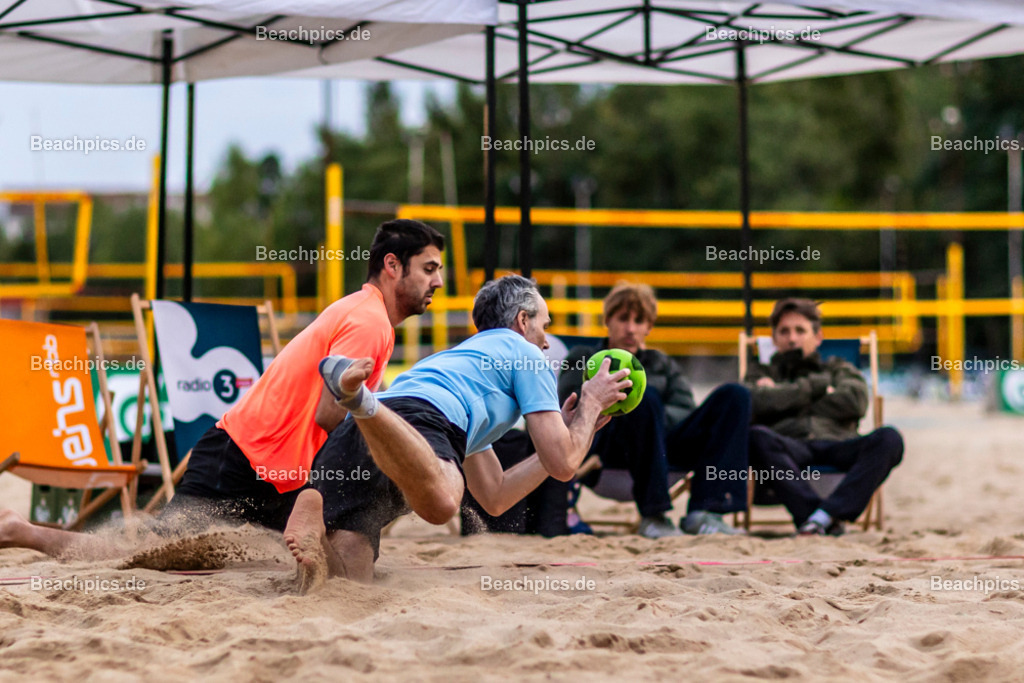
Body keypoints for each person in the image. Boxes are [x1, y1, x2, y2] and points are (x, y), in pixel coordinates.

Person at [0, 218, 445, 558]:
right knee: (149, 556)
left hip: (271, 465)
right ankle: (23, 531)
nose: (438, 283)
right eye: (428, 269)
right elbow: (330, 416)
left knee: (301, 556)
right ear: (392, 266)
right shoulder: (370, 323)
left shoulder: (364, 314)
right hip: (245, 460)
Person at [283, 274, 632, 590]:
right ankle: (362, 401)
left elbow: (495, 497)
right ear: (522, 321)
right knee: (443, 503)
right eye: (544, 325)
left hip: (361, 435)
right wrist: (591, 402)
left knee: (342, 582)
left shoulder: (460, 366)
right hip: (416, 419)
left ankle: (316, 503)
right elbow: (564, 464)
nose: (546, 341)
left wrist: (567, 433)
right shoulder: (524, 353)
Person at [557, 283, 750, 539]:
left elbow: (685, 409)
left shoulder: (662, 363)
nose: (630, 328)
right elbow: (569, 408)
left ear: (649, 327)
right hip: (607, 449)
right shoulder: (585, 356)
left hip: (661, 447)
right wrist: (642, 409)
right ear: (607, 321)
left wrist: (656, 418)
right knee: (642, 398)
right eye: (623, 318)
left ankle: (705, 512)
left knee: (735, 396)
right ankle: (654, 515)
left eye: (639, 321)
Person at [744, 298, 904, 535]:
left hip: (838, 443)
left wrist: (782, 395)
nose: (792, 338)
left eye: (800, 330)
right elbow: (754, 403)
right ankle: (821, 517)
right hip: (788, 447)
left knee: (889, 438)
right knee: (755, 437)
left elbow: (856, 401)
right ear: (774, 338)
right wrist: (820, 389)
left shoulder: (837, 367)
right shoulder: (760, 370)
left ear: (818, 337)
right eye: (784, 331)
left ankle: (822, 515)